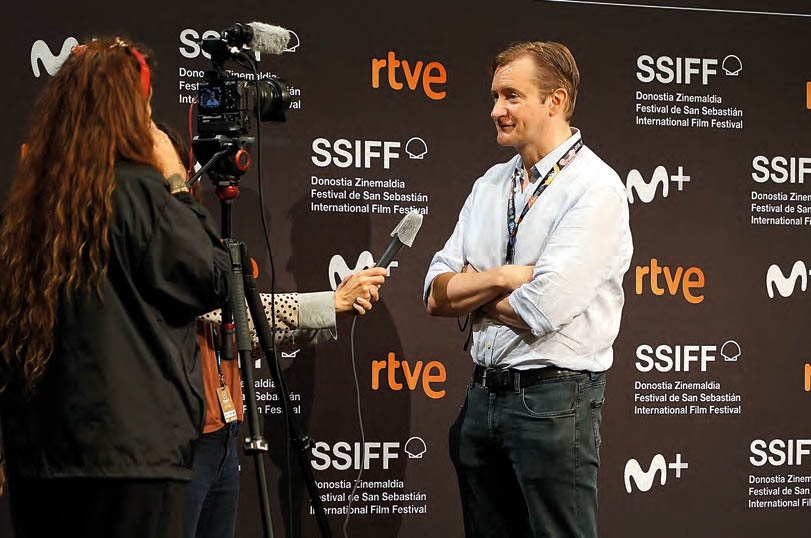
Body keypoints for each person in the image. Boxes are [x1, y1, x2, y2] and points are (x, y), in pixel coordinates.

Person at [0, 37, 230, 538]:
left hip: (40, 460)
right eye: (145, 107)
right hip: (134, 459)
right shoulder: (141, 193)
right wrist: (176, 182)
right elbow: (214, 277)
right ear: (128, 114)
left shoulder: (29, 206)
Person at [423, 41, 633, 537]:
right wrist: (504, 277)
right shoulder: (490, 184)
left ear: (555, 101)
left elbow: (543, 307)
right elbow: (434, 293)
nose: (496, 110)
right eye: (495, 97)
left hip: (554, 402)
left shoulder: (594, 188)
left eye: (511, 96)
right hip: (481, 398)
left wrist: (473, 290)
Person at [154, 125, 389, 538]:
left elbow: (245, 329)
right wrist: (330, 304)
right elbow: (231, 309)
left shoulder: (200, 246)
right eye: (174, 176)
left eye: (186, 174)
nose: (187, 184)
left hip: (222, 435)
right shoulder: (150, 245)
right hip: (177, 441)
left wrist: (333, 311)